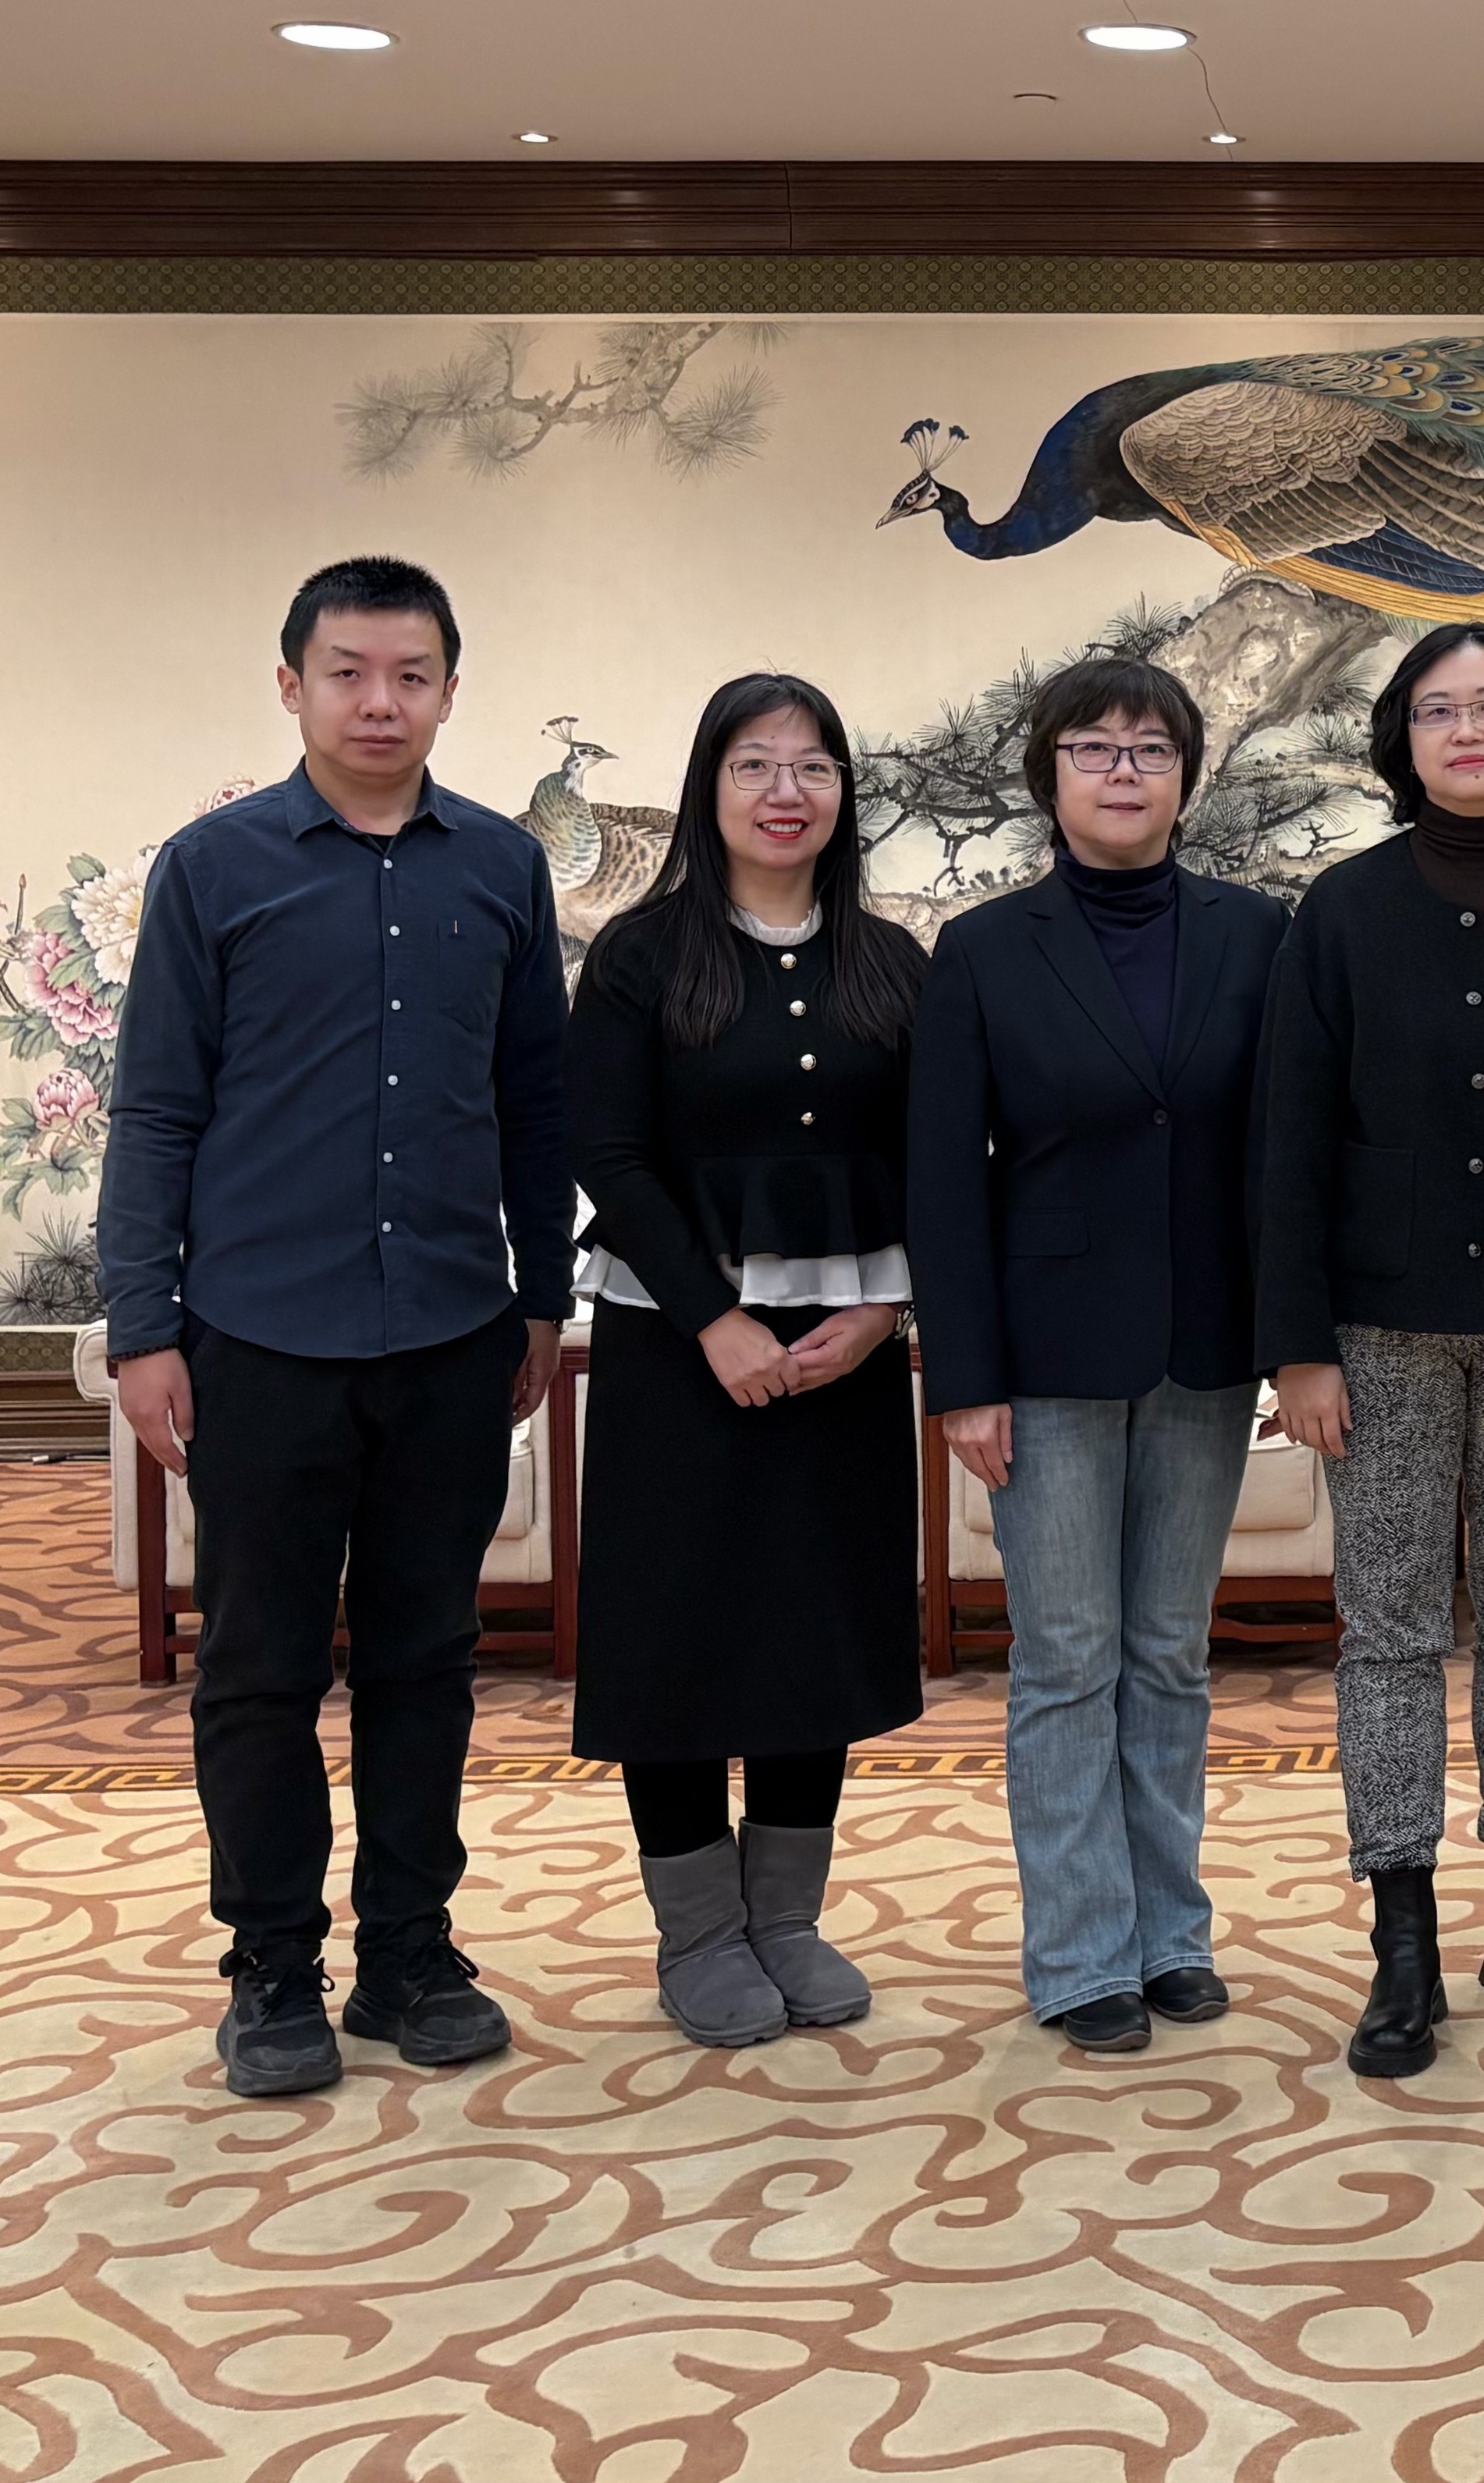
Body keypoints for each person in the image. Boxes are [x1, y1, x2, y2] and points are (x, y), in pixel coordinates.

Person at [95, 556, 568, 2098]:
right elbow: (155, 1108)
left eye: (410, 675)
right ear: (291, 684)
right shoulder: (213, 868)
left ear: (449, 691)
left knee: (429, 1658)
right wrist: (144, 1327)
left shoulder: (500, 866)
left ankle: (410, 1952)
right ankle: (272, 1968)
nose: (380, 703)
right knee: (260, 1667)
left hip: (450, 1331)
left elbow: (534, 1104)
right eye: (349, 673)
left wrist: (543, 1298)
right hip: (259, 1337)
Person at [1255, 623, 1484, 2077]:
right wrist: (1297, 1347)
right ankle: (1400, 1934)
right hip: (1381, 1332)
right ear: (1400, 742)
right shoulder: (1342, 911)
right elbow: (1289, 1139)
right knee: (1393, 1630)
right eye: (1435, 710)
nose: (1467, 730)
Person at [908, 657, 1286, 2055]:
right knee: (1067, 1659)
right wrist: (964, 1378)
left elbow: (1280, 1151)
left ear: (1187, 776)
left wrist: (1291, 1337)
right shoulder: (982, 950)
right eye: (1094, 748)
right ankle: (1080, 1954)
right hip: (1045, 1358)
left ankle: (1171, 1934)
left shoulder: (1259, 934)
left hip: (1206, 1346)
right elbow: (943, 1179)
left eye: (1150, 749)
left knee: (1169, 1654)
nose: (1124, 771)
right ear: (1048, 774)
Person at [567, 674, 928, 2048]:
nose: (788, 792)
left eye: (815, 766)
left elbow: (934, 1153)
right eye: (756, 766)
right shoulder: (643, 955)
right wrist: (713, 1318)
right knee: (675, 1631)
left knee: (810, 1625)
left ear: (844, 792)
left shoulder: (891, 963)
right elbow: (607, 1150)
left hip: (847, 1343)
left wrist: (886, 1311)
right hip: (675, 1345)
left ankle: (786, 1919)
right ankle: (701, 1933)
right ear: (707, 789)